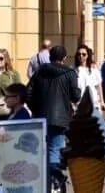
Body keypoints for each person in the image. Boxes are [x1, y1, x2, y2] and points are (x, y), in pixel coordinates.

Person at [27, 46, 80, 189]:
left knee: (42, 150)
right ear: (64, 58)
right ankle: (55, 182)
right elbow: (76, 96)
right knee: (55, 149)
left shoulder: (39, 71)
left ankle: (48, 180)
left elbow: (28, 94)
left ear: (50, 56)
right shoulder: (70, 73)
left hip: (40, 118)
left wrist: (36, 109)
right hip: (60, 118)